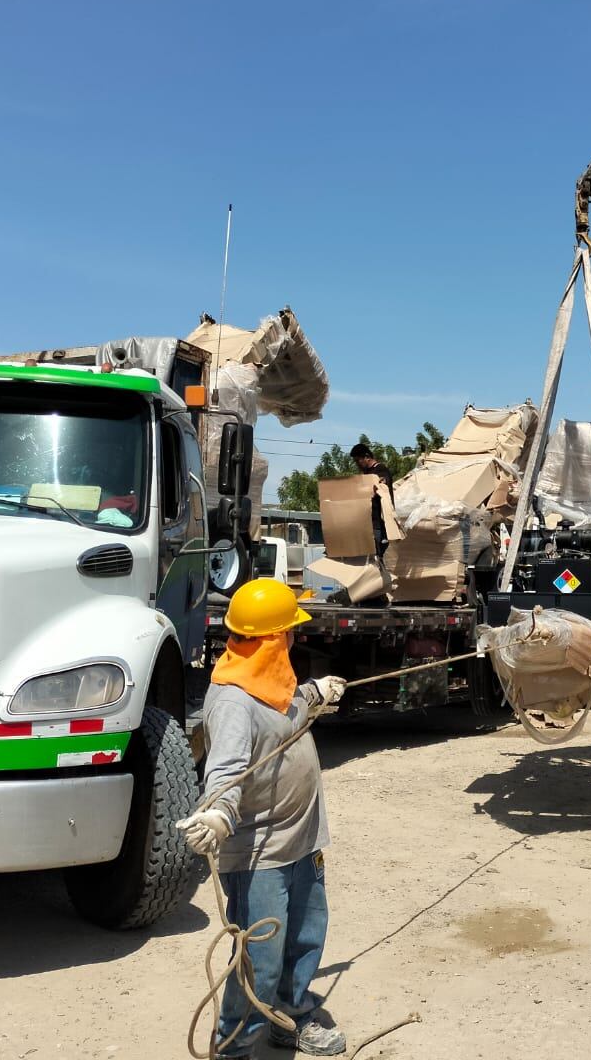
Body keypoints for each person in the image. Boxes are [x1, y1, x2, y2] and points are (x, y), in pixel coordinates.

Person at [180, 578, 348, 1058]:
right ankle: (233, 1045)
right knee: (261, 959)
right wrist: (217, 814)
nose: (296, 638)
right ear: (274, 637)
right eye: (290, 630)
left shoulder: (269, 676)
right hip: (261, 855)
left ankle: (291, 1016)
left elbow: (287, 711)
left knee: (304, 936)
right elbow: (227, 772)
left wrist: (315, 694)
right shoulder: (234, 700)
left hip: (302, 840)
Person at [349, 443, 395, 560]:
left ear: (366, 457)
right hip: (368, 523)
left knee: (376, 559)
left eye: (358, 461)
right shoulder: (367, 474)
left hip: (378, 524)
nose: (357, 465)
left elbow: (381, 484)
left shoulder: (380, 470)